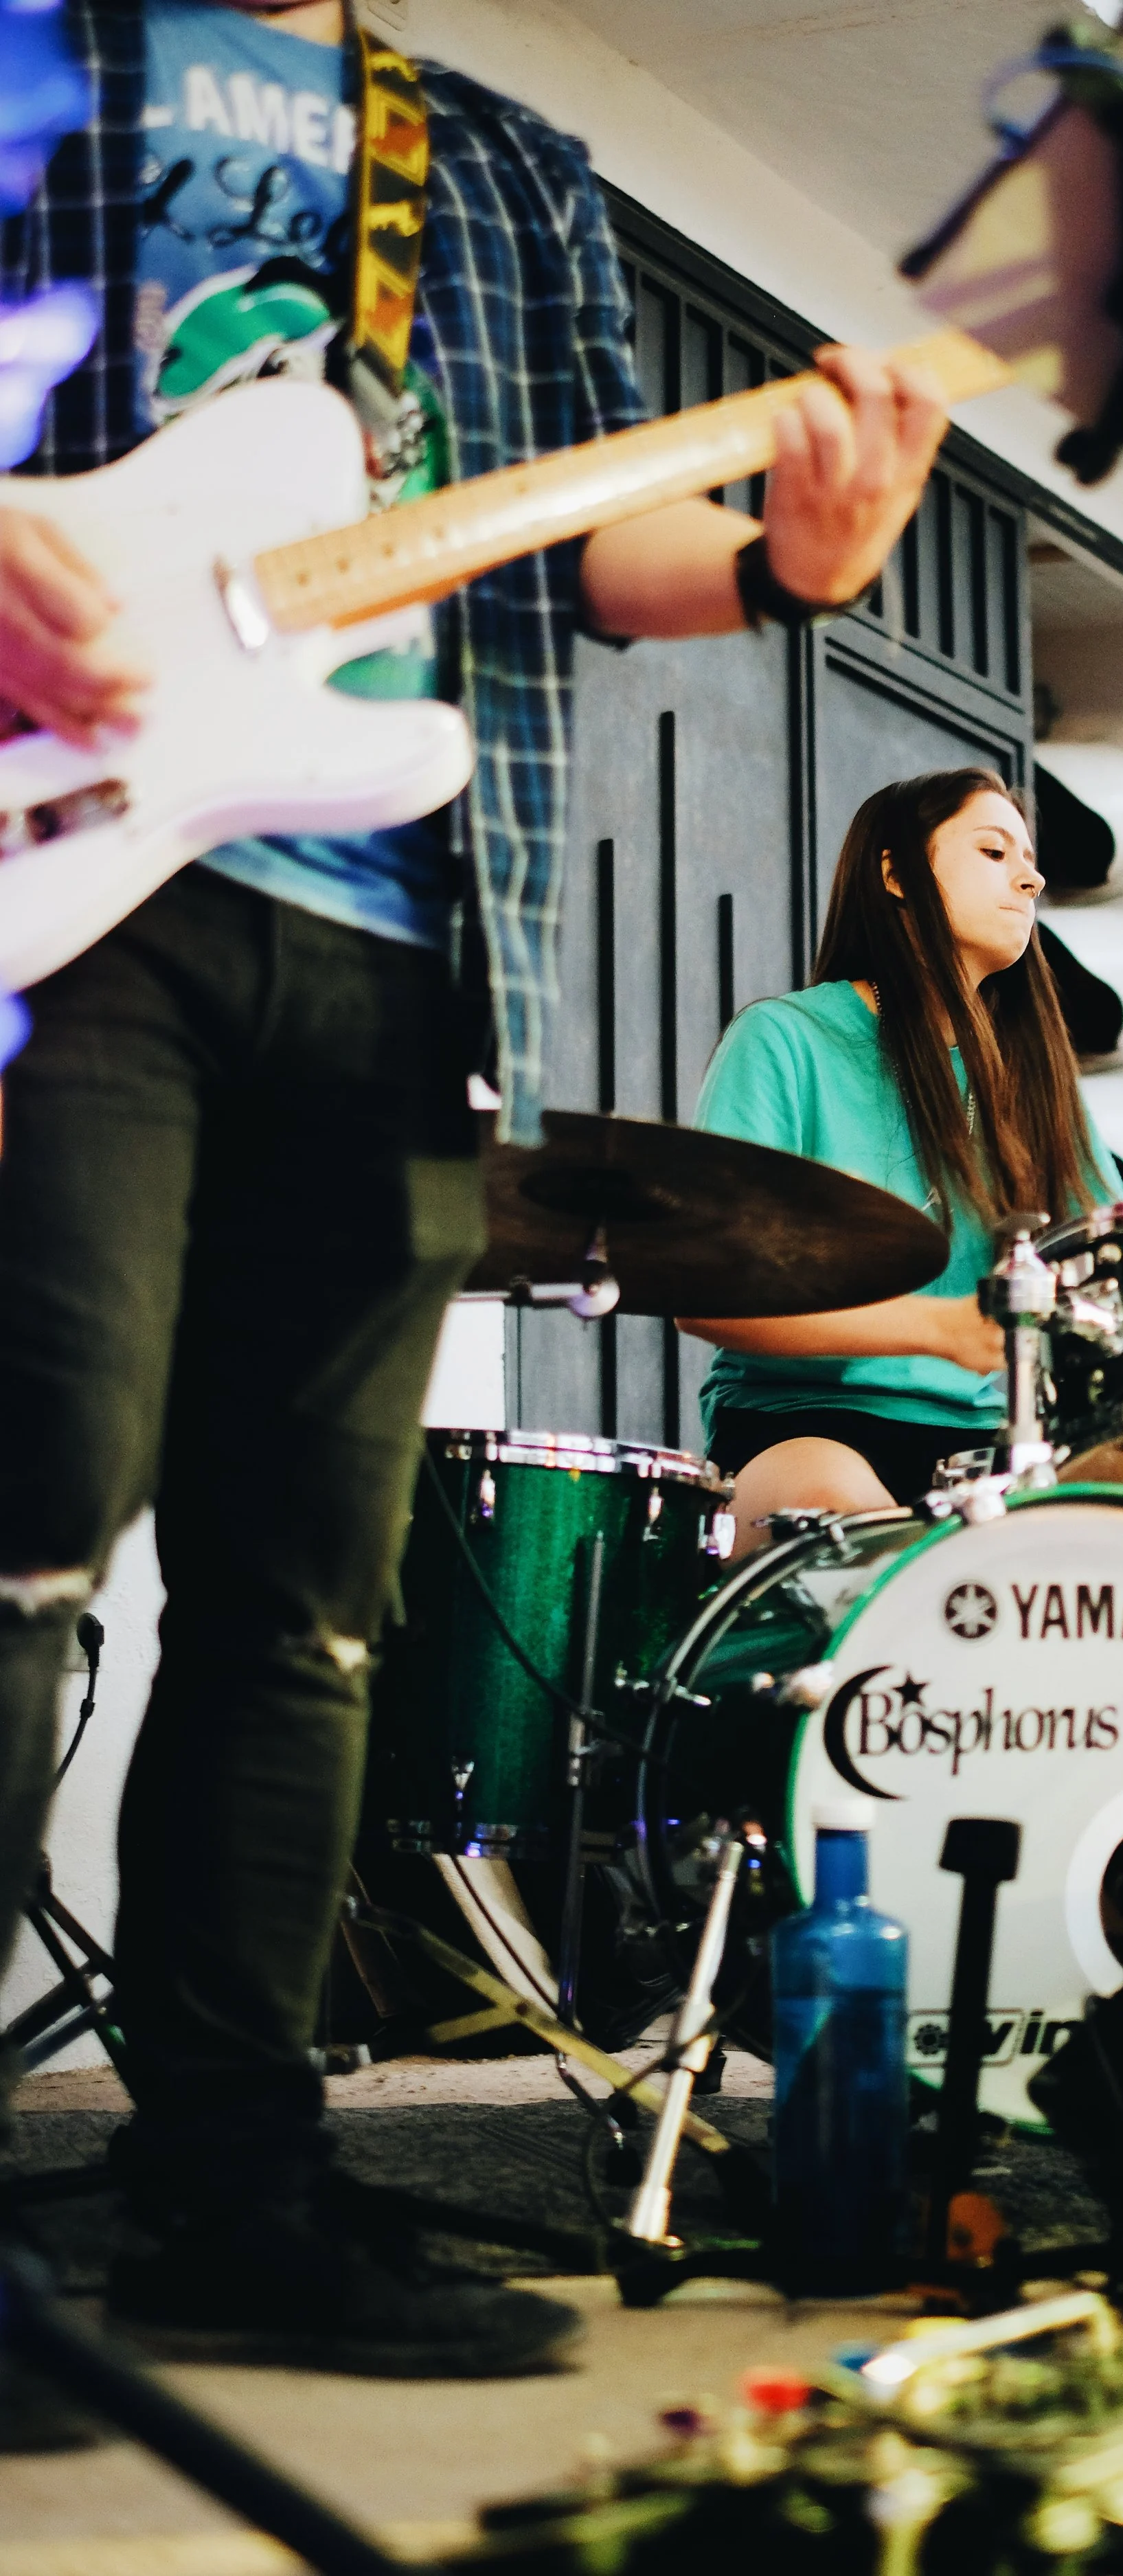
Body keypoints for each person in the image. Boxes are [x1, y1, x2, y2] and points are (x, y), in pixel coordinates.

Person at [0, 0, 946, 2391]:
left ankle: (230, 2191)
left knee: (302, 1611)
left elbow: (565, 538)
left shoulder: (492, 161)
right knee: (17, 1534)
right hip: (60, 902)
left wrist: (793, 561)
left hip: (404, 938)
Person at [681, 769, 1123, 1551]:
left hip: (998, 1449)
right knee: (841, 1505)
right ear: (895, 873)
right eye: (994, 852)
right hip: (803, 1428)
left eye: (1030, 862)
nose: (1031, 879)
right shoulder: (785, 1040)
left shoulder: (1040, 1082)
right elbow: (706, 1294)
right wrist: (937, 1328)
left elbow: (1118, 1275)